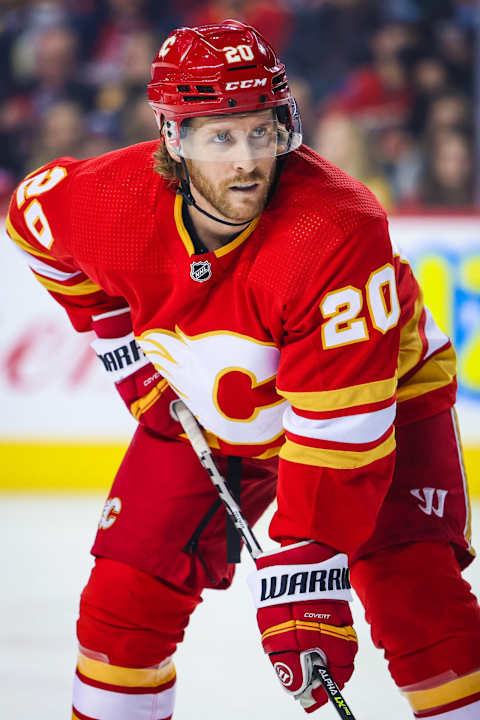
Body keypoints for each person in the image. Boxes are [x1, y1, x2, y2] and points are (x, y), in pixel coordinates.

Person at [5, 19, 480, 720]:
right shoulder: (107, 202)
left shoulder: (336, 227)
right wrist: (120, 344)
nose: (248, 160)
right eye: (219, 137)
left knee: (421, 609)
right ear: (173, 138)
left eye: (263, 130)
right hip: (213, 408)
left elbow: (344, 429)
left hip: (381, 403)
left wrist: (309, 573)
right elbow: (31, 224)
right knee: (122, 606)